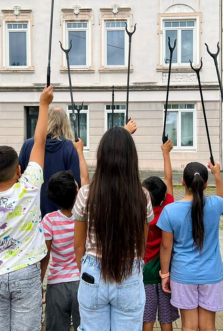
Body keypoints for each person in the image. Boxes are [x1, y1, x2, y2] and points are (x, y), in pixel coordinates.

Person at [0, 86, 54, 331]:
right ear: (19, 171)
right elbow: (40, 142)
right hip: (27, 274)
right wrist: (43, 104)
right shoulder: (29, 187)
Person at [73, 126, 153, 331]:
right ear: (131, 158)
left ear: (102, 156)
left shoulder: (85, 194)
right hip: (129, 272)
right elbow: (142, 244)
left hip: (92, 273)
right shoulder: (142, 196)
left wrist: (86, 270)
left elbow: (78, 245)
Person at [158, 161, 223, 331]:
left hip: (183, 274)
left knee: (188, 326)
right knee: (208, 326)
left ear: (183, 181)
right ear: (206, 184)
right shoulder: (215, 204)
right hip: (212, 274)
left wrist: (165, 274)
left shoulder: (170, 210)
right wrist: (217, 175)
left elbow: (166, 247)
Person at [40, 137, 90, 331]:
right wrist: (79, 151)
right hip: (83, 282)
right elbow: (85, 179)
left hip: (56, 284)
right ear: (77, 190)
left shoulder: (49, 220)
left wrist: (39, 285)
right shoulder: (86, 215)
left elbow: (45, 256)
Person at [141, 140, 179, 331]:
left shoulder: (140, 213)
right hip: (166, 271)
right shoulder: (169, 207)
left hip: (146, 270)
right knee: (166, 319)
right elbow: (169, 179)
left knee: (146, 318)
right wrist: (166, 153)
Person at [18, 107, 80, 218]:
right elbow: (77, 183)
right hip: (61, 217)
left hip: (31, 213)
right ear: (66, 124)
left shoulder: (29, 145)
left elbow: (18, 177)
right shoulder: (71, 148)